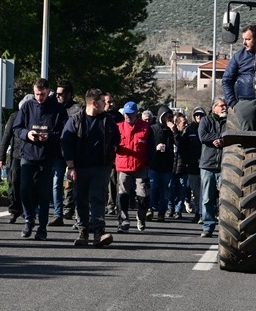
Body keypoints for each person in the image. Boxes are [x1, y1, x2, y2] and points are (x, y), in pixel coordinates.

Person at [61, 88, 119, 247]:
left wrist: (113, 149)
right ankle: (83, 232)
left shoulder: (107, 120)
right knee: (81, 199)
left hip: (101, 167)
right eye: (102, 101)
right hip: (80, 167)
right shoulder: (75, 120)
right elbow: (66, 143)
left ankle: (99, 232)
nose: (105, 104)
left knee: (98, 198)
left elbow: (116, 136)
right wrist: (71, 166)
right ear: (94, 103)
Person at [12, 78, 67, 240]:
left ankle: (42, 227)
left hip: (47, 156)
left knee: (43, 194)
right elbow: (17, 128)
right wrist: (27, 134)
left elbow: (64, 132)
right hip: (28, 154)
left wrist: (49, 137)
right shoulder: (27, 106)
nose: (39, 97)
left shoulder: (58, 109)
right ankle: (29, 219)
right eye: (36, 94)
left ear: (48, 91)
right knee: (24, 189)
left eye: (42, 94)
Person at [221, 24, 256, 131]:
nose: (244, 43)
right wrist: (233, 104)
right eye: (243, 39)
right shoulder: (238, 57)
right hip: (245, 101)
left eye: (248, 39)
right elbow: (226, 80)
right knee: (247, 137)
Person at [115, 101, 153, 232]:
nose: (128, 117)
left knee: (143, 195)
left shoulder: (146, 128)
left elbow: (151, 148)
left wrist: (148, 163)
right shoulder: (118, 127)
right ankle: (123, 221)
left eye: (131, 114)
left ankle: (141, 216)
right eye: (126, 114)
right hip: (123, 166)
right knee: (122, 195)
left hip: (140, 166)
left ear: (137, 113)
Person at [52, 81, 82, 226]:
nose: (57, 96)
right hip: (58, 152)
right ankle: (58, 214)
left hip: (74, 153)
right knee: (57, 183)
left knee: (75, 184)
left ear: (69, 94)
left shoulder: (78, 109)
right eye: (56, 93)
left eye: (60, 94)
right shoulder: (54, 108)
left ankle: (78, 215)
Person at [198, 98, 226, 237]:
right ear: (214, 107)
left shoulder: (229, 122)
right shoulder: (206, 120)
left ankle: (225, 226)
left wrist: (222, 140)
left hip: (224, 166)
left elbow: (232, 136)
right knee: (207, 198)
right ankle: (207, 226)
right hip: (208, 165)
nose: (224, 108)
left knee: (225, 198)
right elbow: (202, 136)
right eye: (221, 106)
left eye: (225, 105)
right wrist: (216, 138)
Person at [148, 107, 176, 222]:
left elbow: (179, 143)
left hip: (167, 166)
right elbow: (147, 146)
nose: (168, 119)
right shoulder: (153, 129)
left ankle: (161, 212)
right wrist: (156, 148)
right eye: (166, 116)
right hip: (154, 165)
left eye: (170, 117)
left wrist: (174, 131)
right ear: (161, 116)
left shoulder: (172, 130)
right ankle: (149, 209)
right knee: (152, 187)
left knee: (165, 190)